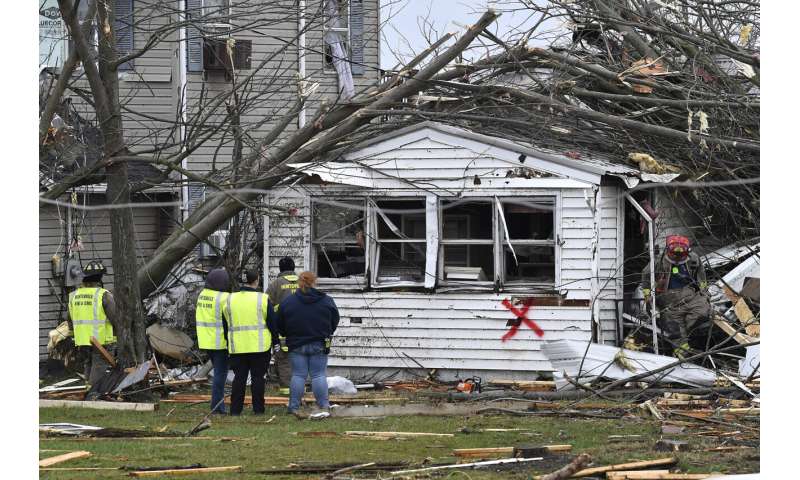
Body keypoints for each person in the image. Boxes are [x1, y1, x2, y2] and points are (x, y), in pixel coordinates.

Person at [277, 271, 340, 419]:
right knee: (318, 375)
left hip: (296, 344)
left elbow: (280, 323)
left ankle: (293, 406)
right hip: (319, 342)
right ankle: (323, 405)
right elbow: (334, 319)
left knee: (298, 375)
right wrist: (327, 331)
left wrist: (288, 334)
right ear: (314, 282)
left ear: (299, 283)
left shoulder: (288, 302)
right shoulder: (326, 301)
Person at [641, 235, 710, 359]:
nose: (677, 258)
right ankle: (682, 354)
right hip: (668, 299)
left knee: (702, 312)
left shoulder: (694, 259)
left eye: (680, 255)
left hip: (690, 295)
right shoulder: (658, 262)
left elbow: (702, 277)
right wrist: (648, 296)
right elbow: (646, 277)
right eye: (674, 255)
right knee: (674, 328)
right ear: (668, 251)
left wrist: (704, 293)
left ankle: (686, 333)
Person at [222, 269, 276, 416]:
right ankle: (258, 409)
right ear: (257, 280)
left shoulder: (229, 299)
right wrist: (276, 341)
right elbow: (272, 323)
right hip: (259, 347)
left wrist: (228, 341)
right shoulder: (263, 299)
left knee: (239, 379)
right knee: (258, 379)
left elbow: (225, 323)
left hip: (237, 347)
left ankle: (235, 410)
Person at [67, 260, 118, 391]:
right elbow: (116, 319)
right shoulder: (103, 295)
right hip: (101, 340)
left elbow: (70, 320)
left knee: (88, 363)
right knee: (99, 365)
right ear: (100, 278)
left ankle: (87, 388)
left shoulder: (73, 296)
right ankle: (93, 392)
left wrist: (75, 335)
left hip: (82, 340)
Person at [195, 268, 230, 414]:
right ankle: (217, 407)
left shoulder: (202, 295)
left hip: (206, 341)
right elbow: (229, 321)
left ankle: (217, 405)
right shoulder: (224, 298)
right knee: (220, 375)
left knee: (218, 373)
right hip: (220, 342)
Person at [267, 257, 299, 389]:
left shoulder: (276, 284)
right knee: (300, 360)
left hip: (282, 330)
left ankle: (287, 390)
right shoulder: (303, 282)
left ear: (280, 269)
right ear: (293, 268)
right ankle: (299, 388)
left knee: (283, 360)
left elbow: (266, 304)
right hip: (302, 329)